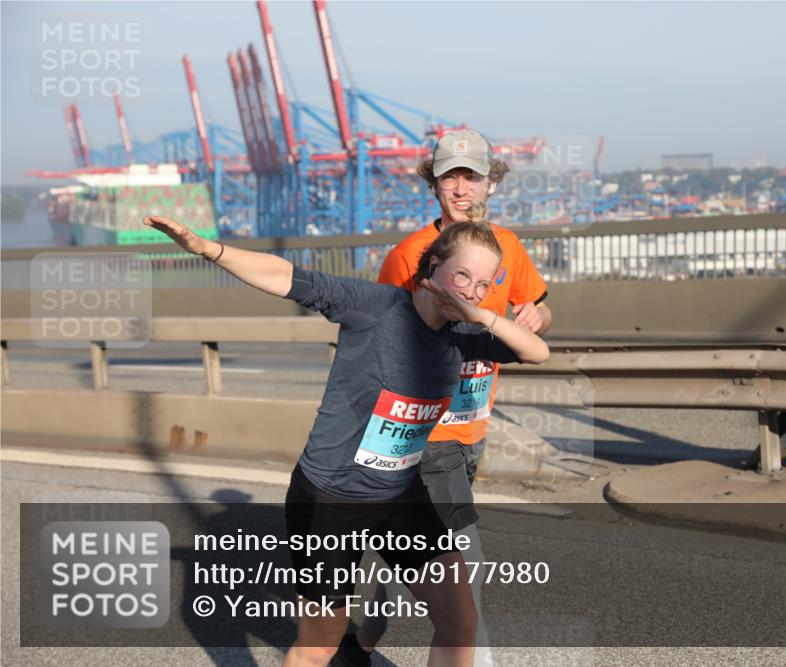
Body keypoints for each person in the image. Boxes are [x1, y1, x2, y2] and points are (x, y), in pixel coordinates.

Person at [142, 212, 549, 667]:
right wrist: (207, 249)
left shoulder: (465, 334)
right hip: (330, 498)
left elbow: (536, 350)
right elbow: (287, 276)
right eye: (462, 275)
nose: (470, 290)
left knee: (460, 621)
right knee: (321, 643)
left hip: (399, 494)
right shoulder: (376, 306)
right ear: (432, 267)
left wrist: (477, 312)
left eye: (482, 284)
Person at [346, 130, 553, 666]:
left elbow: (540, 307)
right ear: (433, 183)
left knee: (401, 575)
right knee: (464, 565)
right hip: (426, 436)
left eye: (473, 176)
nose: (462, 188)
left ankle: (351, 647)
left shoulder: (508, 246)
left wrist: (534, 316)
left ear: (492, 181)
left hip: (471, 434)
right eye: (450, 176)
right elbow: (382, 341)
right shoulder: (408, 255)